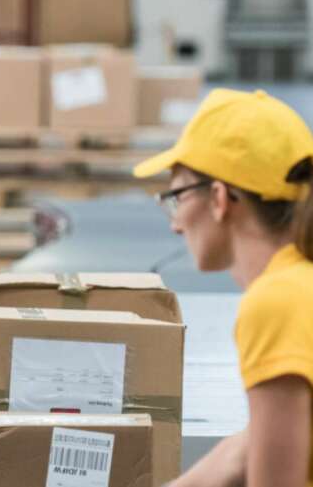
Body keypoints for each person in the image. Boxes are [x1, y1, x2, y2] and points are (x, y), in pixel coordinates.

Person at [134, 89, 313, 487]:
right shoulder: (302, 284)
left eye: (176, 196)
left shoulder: (277, 303)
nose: (175, 223)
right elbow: (244, 451)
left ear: (218, 198)